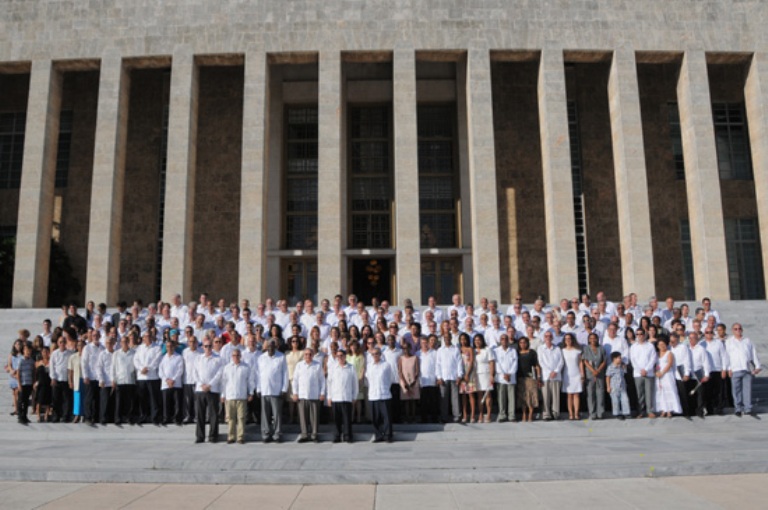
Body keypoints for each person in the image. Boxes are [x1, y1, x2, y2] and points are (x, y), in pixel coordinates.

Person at [726, 323, 762, 417]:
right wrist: (728, 368)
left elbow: (753, 354)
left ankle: (747, 408)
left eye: (739, 329)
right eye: (735, 329)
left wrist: (757, 366)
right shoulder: (729, 342)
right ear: (732, 330)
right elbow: (727, 356)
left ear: (742, 330)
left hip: (746, 369)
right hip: (735, 369)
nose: (738, 330)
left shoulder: (747, 341)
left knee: (747, 389)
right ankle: (738, 408)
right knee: (736, 390)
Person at [257, 339, 289, 443]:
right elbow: (258, 375)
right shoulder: (261, 358)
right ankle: (266, 434)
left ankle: (277, 434)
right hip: (264, 389)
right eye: (269, 346)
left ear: (275, 347)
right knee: (265, 414)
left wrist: (284, 388)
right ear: (266, 347)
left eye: (272, 346)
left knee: (277, 414)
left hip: (276, 390)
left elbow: (285, 373)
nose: (270, 348)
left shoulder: (281, 357)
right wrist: (258, 388)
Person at [220, 349, 254, 444]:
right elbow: (224, 382)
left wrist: (251, 392)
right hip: (230, 396)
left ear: (240, 356)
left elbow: (250, 381)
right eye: (234, 355)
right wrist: (223, 395)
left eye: (238, 355)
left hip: (241, 396)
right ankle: (231, 437)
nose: (236, 357)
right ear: (232, 356)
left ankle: (240, 437)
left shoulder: (246, 367)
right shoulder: (227, 367)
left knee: (241, 417)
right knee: (230, 418)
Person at [292, 348, 326, 443]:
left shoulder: (317, 365)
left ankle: (314, 435)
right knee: (303, 416)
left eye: (309, 354)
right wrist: (295, 392)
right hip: (302, 395)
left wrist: (322, 393)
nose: (308, 356)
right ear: (304, 355)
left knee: (314, 417)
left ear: (312, 355)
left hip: (314, 395)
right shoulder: (299, 365)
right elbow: (295, 380)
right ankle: (304, 435)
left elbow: (322, 380)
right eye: (306, 354)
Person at [194, 337, 225, 443]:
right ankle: (200, 436)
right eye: (205, 346)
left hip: (213, 389)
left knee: (213, 415)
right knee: (200, 414)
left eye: (210, 346)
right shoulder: (198, 358)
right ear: (202, 347)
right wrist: (202, 385)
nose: (208, 348)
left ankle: (213, 436)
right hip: (200, 389)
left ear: (213, 346)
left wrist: (210, 385)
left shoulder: (218, 359)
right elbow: (195, 373)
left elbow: (219, 374)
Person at [327, 348, 358, 443]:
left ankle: (347, 436)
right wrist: (329, 397)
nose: (340, 357)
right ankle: (337, 436)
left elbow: (355, 383)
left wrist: (354, 397)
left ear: (345, 356)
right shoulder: (333, 368)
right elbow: (329, 383)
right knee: (336, 420)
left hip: (346, 397)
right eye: (338, 356)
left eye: (341, 355)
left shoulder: (351, 367)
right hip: (336, 397)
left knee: (347, 419)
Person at [134, 332, 162, 425]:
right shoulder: (139, 348)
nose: (148, 338)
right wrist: (141, 368)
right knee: (142, 398)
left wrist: (148, 368)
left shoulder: (157, 348)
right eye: (146, 336)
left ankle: (154, 417)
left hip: (152, 377)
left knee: (153, 398)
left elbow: (157, 360)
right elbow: (136, 360)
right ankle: (143, 416)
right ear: (143, 338)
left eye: (149, 336)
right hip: (141, 377)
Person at [366, 347, 393, 443]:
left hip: (384, 394)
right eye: (373, 354)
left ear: (380, 354)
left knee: (386, 417)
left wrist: (385, 388)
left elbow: (390, 379)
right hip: (373, 395)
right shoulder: (369, 366)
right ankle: (378, 435)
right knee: (375, 418)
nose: (375, 356)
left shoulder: (386, 365)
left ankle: (387, 435)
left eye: (377, 353)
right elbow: (368, 379)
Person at [435, 333, 464, 423]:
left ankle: (457, 416)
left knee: (455, 398)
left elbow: (459, 363)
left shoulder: (455, 349)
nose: (447, 339)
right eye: (445, 338)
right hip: (443, 377)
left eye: (448, 337)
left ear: (451, 338)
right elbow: (438, 364)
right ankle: (444, 417)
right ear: (443, 339)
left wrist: (460, 376)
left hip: (454, 377)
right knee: (443, 399)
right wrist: (439, 377)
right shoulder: (440, 350)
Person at [629, 329, 657, 418]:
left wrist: (646, 369)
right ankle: (640, 411)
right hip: (638, 373)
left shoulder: (650, 346)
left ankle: (650, 411)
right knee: (639, 394)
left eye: (641, 334)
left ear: (644, 335)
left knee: (649, 393)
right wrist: (640, 370)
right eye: (637, 334)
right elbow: (633, 360)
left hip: (649, 373)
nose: (639, 336)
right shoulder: (633, 347)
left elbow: (653, 358)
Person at [110, 335, 136, 425]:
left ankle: (128, 417)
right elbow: (113, 367)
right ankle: (117, 418)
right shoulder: (116, 353)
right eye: (122, 342)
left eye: (126, 341)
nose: (124, 343)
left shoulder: (133, 353)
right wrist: (113, 379)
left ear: (128, 342)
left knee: (129, 401)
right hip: (120, 379)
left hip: (130, 380)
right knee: (119, 401)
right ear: (120, 343)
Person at [537, 331, 564, 421]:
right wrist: (549, 372)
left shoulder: (557, 348)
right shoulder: (540, 348)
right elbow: (541, 362)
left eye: (550, 336)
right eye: (546, 336)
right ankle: (546, 414)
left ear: (552, 338)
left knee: (556, 396)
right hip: (545, 376)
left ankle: (555, 413)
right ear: (544, 338)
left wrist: (555, 371)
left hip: (556, 376)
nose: (548, 338)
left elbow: (561, 361)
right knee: (545, 396)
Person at [158, 339, 184, 426]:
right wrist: (167, 380)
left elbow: (180, 370)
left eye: (171, 346)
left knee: (177, 403)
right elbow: (160, 371)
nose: (169, 348)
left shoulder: (179, 357)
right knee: (166, 403)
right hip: (165, 384)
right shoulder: (163, 358)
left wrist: (173, 380)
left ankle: (177, 418)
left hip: (176, 383)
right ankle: (166, 418)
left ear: (174, 347)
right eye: (167, 346)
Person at [654, 338, 682, 418]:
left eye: (663, 344)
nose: (662, 346)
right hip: (659, 375)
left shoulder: (669, 353)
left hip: (667, 375)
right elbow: (655, 365)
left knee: (669, 391)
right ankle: (663, 410)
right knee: (661, 392)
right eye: (660, 345)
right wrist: (656, 372)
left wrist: (662, 372)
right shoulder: (656, 354)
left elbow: (669, 364)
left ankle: (669, 410)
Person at [493, 334, 518, 422]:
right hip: (501, 377)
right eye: (502, 339)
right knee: (501, 398)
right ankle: (502, 415)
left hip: (511, 377)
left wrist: (510, 374)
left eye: (505, 339)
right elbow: (496, 364)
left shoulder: (513, 351)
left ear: (508, 340)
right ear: (500, 340)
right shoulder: (496, 351)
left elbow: (515, 363)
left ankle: (512, 415)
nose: (504, 340)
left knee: (511, 398)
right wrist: (504, 374)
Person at [582, 332, 606, 420]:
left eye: (594, 338)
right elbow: (585, 361)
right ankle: (592, 413)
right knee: (591, 393)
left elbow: (604, 361)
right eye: (591, 338)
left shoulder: (601, 348)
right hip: (590, 374)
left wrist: (598, 370)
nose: (593, 340)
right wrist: (593, 371)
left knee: (600, 393)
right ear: (588, 340)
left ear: (597, 339)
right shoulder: (586, 348)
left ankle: (600, 413)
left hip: (600, 373)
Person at [49, 335, 73, 423]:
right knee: (56, 399)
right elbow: (52, 366)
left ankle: (65, 416)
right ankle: (56, 416)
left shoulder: (70, 353)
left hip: (66, 379)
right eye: (60, 342)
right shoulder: (54, 353)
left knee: (66, 399)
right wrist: (53, 377)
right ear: (58, 343)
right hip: (57, 379)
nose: (62, 343)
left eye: (64, 342)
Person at [517, 337, 540, 422]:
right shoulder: (517, 353)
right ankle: (524, 413)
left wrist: (539, 377)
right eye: (521, 343)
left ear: (527, 343)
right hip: (520, 377)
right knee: (523, 397)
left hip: (530, 377)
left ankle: (530, 414)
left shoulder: (532, 352)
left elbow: (536, 366)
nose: (523, 344)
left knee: (531, 396)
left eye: (524, 342)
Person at [561, 333, 584, 420]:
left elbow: (580, 363)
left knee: (576, 394)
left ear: (572, 339)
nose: (568, 340)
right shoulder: (562, 351)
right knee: (569, 395)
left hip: (576, 374)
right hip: (567, 375)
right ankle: (571, 414)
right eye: (566, 339)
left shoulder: (577, 351)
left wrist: (582, 374)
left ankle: (576, 413)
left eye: (569, 338)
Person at [473, 334, 495, 423]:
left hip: (486, 373)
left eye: (479, 340)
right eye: (475, 340)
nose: (477, 342)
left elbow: (491, 362)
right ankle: (481, 414)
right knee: (479, 395)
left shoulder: (487, 350)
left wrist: (492, 375)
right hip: (476, 374)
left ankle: (489, 414)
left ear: (482, 340)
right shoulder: (473, 351)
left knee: (487, 395)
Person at [417, 336, 438, 423]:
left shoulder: (434, 353)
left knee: (433, 402)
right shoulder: (417, 354)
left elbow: (437, 366)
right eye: (422, 343)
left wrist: (437, 377)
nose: (424, 345)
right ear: (420, 344)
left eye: (426, 343)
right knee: (423, 402)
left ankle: (434, 419)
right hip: (422, 381)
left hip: (432, 380)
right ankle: (424, 419)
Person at [96, 334, 117, 425]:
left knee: (114, 401)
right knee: (104, 401)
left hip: (114, 381)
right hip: (105, 381)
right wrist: (101, 379)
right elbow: (99, 367)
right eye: (107, 343)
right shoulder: (102, 354)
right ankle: (103, 418)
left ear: (114, 343)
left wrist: (115, 380)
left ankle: (112, 418)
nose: (109, 344)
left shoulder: (116, 354)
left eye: (110, 343)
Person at [397, 342, 420, 423]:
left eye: (407, 348)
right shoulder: (401, 358)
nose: (405, 350)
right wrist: (405, 383)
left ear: (410, 348)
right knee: (406, 400)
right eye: (404, 348)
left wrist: (414, 381)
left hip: (414, 381)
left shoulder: (415, 358)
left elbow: (417, 371)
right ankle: (407, 417)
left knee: (413, 400)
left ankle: (413, 417)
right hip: (404, 381)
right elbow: (400, 372)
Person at [458, 333, 477, 423]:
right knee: (463, 395)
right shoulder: (459, 350)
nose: (463, 341)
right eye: (461, 339)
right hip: (461, 372)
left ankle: (472, 415)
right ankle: (465, 414)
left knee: (470, 394)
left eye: (464, 339)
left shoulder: (470, 349)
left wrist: (467, 374)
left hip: (469, 372)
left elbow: (472, 361)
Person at [15, 345, 36, 424]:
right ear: (23, 351)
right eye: (27, 350)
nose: (28, 352)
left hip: (29, 383)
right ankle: (20, 416)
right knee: (21, 401)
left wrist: (33, 382)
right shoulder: (20, 360)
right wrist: (19, 384)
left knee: (26, 401)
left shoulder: (31, 361)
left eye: (29, 350)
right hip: (22, 383)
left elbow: (33, 372)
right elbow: (18, 373)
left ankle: (25, 416)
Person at [606, 352, 630, 420]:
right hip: (614, 387)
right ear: (614, 359)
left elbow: (624, 374)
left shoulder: (621, 366)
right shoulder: (610, 367)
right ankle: (617, 413)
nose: (620, 359)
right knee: (615, 401)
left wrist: (624, 367)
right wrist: (608, 386)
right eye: (619, 358)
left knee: (625, 399)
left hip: (622, 386)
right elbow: (608, 377)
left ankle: (626, 412)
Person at [68, 338, 85, 423]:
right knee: (77, 398)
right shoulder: (73, 357)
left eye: (82, 345)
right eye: (79, 345)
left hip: (85, 379)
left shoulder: (87, 356)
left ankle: (84, 415)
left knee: (85, 398)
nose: (80, 347)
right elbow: (70, 370)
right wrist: (70, 381)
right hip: (77, 379)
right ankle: (77, 415)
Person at [6, 339, 24, 417]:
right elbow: (9, 364)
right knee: (14, 393)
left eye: (19, 344)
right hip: (13, 375)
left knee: (18, 392)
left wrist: (17, 372)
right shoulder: (12, 355)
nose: (18, 346)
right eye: (17, 344)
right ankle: (16, 409)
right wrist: (11, 370)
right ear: (14, 345)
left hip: (20, 375)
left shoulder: (22, 355)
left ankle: (19, 409)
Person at [34, 347, 52, 422]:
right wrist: (35, 382)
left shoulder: (51, 362)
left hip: (48, 382)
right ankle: (38, 415)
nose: (45, 353)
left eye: (46, 352)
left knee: (48, 400)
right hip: (40, 383)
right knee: (39, 400)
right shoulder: (38, 362)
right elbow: (35, 373)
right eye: (43, 352)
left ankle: (46, 415)